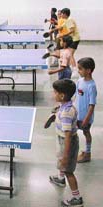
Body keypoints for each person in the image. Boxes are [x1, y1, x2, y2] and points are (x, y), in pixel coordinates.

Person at [49, 79, 83, 207]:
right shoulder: (66, 106)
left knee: (68, 170)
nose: (53, 94)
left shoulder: (66, 113)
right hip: (63, 140)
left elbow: (68, 136)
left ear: (62, 95)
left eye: (55, 92)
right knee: (62, 165)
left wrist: (66, 156)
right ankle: (60, 178)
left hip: (67, 142)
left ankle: (77, 197)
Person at [75, 57, 97, 163]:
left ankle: (87, 153)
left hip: (85, 117)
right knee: (73, 132)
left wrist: (86, 119)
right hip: (77, 115)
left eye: (80, 69)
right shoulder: (79, 81)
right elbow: (76, 97)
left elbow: (92, 105)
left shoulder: (91, 86)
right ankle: (76, 152)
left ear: (88, 70)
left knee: (86, 132)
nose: (78, 71)